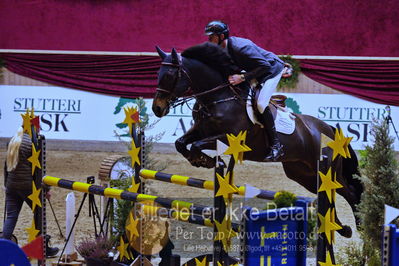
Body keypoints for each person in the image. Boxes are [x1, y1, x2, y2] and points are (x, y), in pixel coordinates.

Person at [205, 20, 285, 161]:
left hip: (271, 70)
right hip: (254, 70)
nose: (208, 39)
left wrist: (242, 77)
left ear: (221, 37)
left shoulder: (242, 47)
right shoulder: (220, 49)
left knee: (260, 104)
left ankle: (276, 146)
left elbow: (265, 66)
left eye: (211, 36)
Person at [2, 126, 59, 257]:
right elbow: (39, 169)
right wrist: (46, 188)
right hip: (28, 186)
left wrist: (6, 185)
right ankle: (42, 247)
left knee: (11, 217)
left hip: (11, 185)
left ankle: (3, 246)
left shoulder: (12, 141)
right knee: (39, 214)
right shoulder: (33, 143)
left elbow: (6, 166)